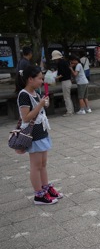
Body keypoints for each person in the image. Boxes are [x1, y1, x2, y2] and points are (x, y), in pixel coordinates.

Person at [15, 66, 63, 205]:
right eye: (40, 78)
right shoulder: (24, 95)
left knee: (43, 164)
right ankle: (38, 194)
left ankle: (46, 188)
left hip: (41, 132)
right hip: (33, 135)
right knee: (36, 166)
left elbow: (38, 111)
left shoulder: (35, 92)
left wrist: (43, 104)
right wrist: (40, 104)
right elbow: (26, 118)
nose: (42, 81)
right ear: (30, 79)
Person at [51, 50, 74, 117]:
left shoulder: (60, 63)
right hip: (68, 81)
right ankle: (71, 110)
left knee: (66, 98)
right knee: (68, 97)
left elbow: (62, 74)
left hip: (65, 82)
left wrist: (55, 78)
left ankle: (69, 111)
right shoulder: (65, 62)